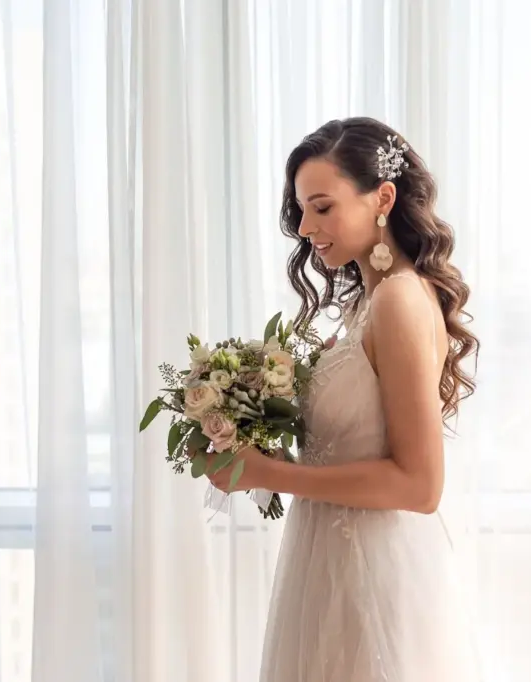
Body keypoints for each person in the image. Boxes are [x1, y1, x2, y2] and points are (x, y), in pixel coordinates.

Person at [205, 117, 481, 681]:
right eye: (302, 208)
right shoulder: (370, 301)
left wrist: (268, 473)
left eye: (322, 207)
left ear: (382, 197)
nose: (305, 226)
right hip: (331, 562)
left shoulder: (399, 301)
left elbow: (420, 486)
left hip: (372, 572)